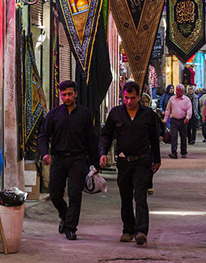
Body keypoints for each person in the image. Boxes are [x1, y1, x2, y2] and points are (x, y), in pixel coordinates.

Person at [99, 81, 161, 246]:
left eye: (132, 98)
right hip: (123, 161)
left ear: (139, 97)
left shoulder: (147, 114)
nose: (129, 101)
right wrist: (102, 153)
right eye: (126, 98)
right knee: (125, 196)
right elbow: (106, 135)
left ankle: (141, 231)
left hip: (142, 160)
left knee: (140, 196)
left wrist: (157, 159)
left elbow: (154, 138)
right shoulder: (115, 114)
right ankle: (128, 230)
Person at [38, 79, 100, 241]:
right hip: (58, 159)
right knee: (55, 194)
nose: (67, 97)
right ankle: (65, 217)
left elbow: (91, 140)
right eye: (64, 95)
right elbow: (43, 136)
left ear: (76, 94)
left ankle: (71, 228)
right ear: (60, 95)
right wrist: (45, 153)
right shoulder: (54, 114)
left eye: (70, 94)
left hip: (78, 159)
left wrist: (95, 162)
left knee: (75, 194)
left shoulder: (84, 114)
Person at [163, 83, 192, 159]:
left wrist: (187, 117)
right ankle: (174, 152)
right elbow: (168, 110)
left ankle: (183, 152)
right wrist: (165, 120)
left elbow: (189, 110)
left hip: (183, 120)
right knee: (174, 137)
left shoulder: (186, 100)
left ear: (182, 91)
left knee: (183, 137)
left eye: (179, 90)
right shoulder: (172, 99)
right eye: (176, 90)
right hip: (174, 120)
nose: (177, 92)